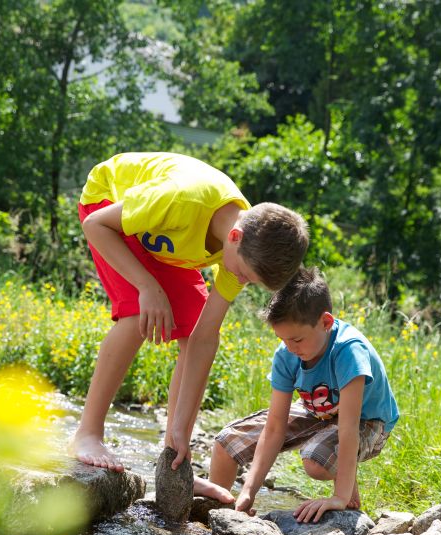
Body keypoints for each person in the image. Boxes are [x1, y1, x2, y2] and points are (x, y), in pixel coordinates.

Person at [72, 152, 309, 491]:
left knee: (194, 321)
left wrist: (182, 430)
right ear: (235, 237)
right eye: (242, 274)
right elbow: (95, 225)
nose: (239, 280)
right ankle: (87, 433)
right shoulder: (182, 199)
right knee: (138, 312)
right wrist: (147, 286)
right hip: (108, 208)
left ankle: (174, 459)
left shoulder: (241, 252)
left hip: (160, 239)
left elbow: (205, 336)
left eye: (248, 281)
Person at [205, 267, 399, 523]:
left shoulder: (349, 351)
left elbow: (349, 428)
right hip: (318, 409)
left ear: (326, 322)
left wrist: (340, 497)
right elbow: (274, 427)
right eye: (283, 339)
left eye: (296, 339)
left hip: (367, 420)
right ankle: (211, 517)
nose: (290, 348)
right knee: (226, 443)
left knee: (315, 460)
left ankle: (347, 490)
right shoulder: (287, 354)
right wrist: (248, 492)